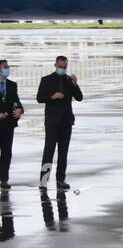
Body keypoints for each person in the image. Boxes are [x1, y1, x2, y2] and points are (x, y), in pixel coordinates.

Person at [36, 56, 82, 190]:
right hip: (52, 122)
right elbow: (39, 98)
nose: (62, 69)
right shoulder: (46, 80)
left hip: (66, 121)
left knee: (63, 152)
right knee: (48, 151)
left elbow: (79, 97)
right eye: (60, 66)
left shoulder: (69, 81)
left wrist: (75, 84)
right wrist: (52, 97)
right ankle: (44, 180)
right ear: (55, 64)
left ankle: (61, 179)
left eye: (64, 67)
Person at [0, 59, 22, 190]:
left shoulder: (12, 85)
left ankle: (4, 179)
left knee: (7, 152)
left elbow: (16, 102)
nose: (7, 68)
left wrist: (20, 109)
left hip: (8, 124)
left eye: (7, 66)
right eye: (5, 67)